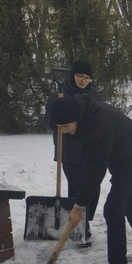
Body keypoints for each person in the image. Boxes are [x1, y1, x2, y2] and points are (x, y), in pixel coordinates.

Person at [50, 93, 132, 264]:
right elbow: (92, 165)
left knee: (112, 209)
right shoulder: (84, 115)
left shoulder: (96, 126)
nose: (64, 132)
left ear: (75, 118)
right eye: (60, 128)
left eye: (65, 127)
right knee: (129, 203)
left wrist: (79, 205)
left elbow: (95, 171)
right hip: (122, 157)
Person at [45, 60, 101, 248]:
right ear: (73, 76)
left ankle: (84, 220)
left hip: (90, 147)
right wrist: (58, 123)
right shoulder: (59, 95)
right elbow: (49, 121)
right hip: (68, 149)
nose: (84, 81)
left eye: (87, 77)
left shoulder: (94, 95)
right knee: (77, 188)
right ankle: (80, 228)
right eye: (80, 77)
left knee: (93, 188)